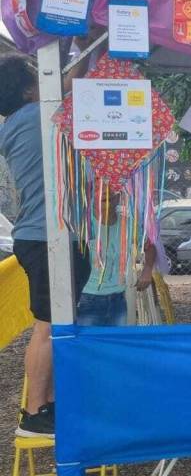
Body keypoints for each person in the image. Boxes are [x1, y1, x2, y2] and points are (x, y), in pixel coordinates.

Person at [0, 53, 92, 438]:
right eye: (38, 75)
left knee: (57, 324)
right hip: (45, 238)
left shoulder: (22, 122)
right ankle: (33, 412)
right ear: (27, 90)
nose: (45, 80)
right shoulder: (35, 117)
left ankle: (49, 405)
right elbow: (70, 82)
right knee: (49, 325)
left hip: (46, 236)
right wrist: (84, 44)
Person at [77, 191, 157, 326]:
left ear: (118, 197)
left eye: (111, 189)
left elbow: (150, 246)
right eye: (99, 188)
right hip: (87, 298)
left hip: (118, 298)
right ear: (91, 195)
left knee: (116, 339)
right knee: (89, 340)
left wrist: (147, 270)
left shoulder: (128, 224)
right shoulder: (83, 224)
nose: (105, 192)